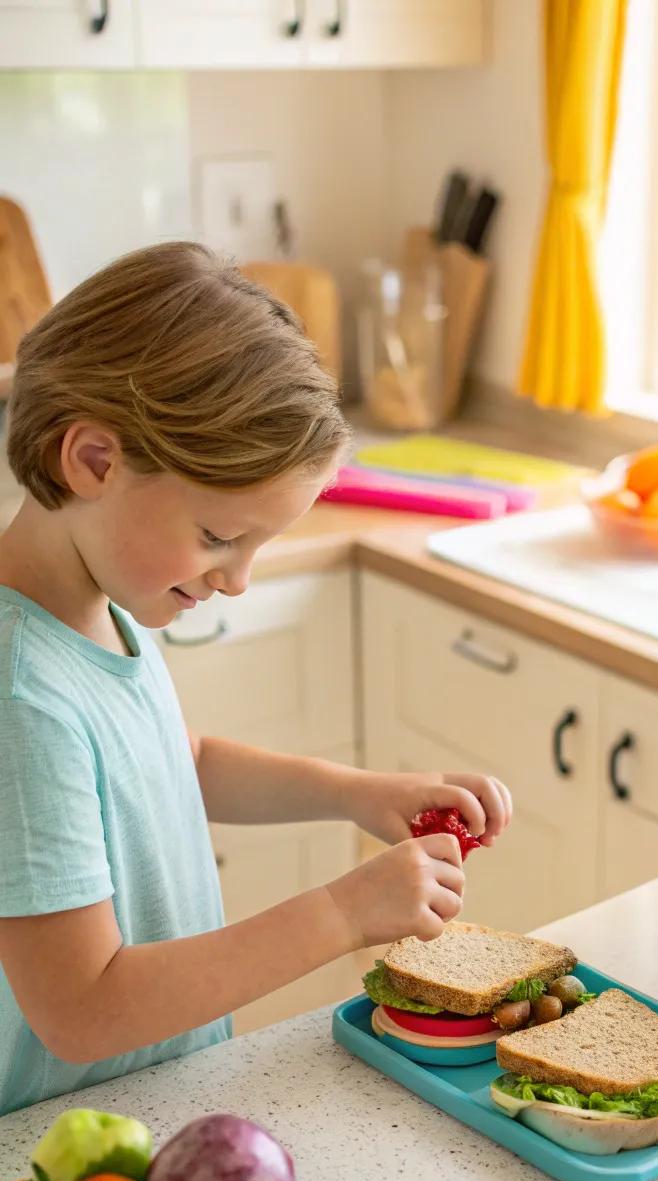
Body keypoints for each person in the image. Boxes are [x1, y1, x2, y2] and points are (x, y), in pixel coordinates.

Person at [0, 242, 511, 1115]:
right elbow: (83, 1010)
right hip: (66, 1155)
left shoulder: (95, 605)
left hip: (157, 1105)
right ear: (90, 461)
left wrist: (359, 792)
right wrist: (343, 915)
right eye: (217, 536)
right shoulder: (22, 700)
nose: (236, 579)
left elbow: (175, 762)